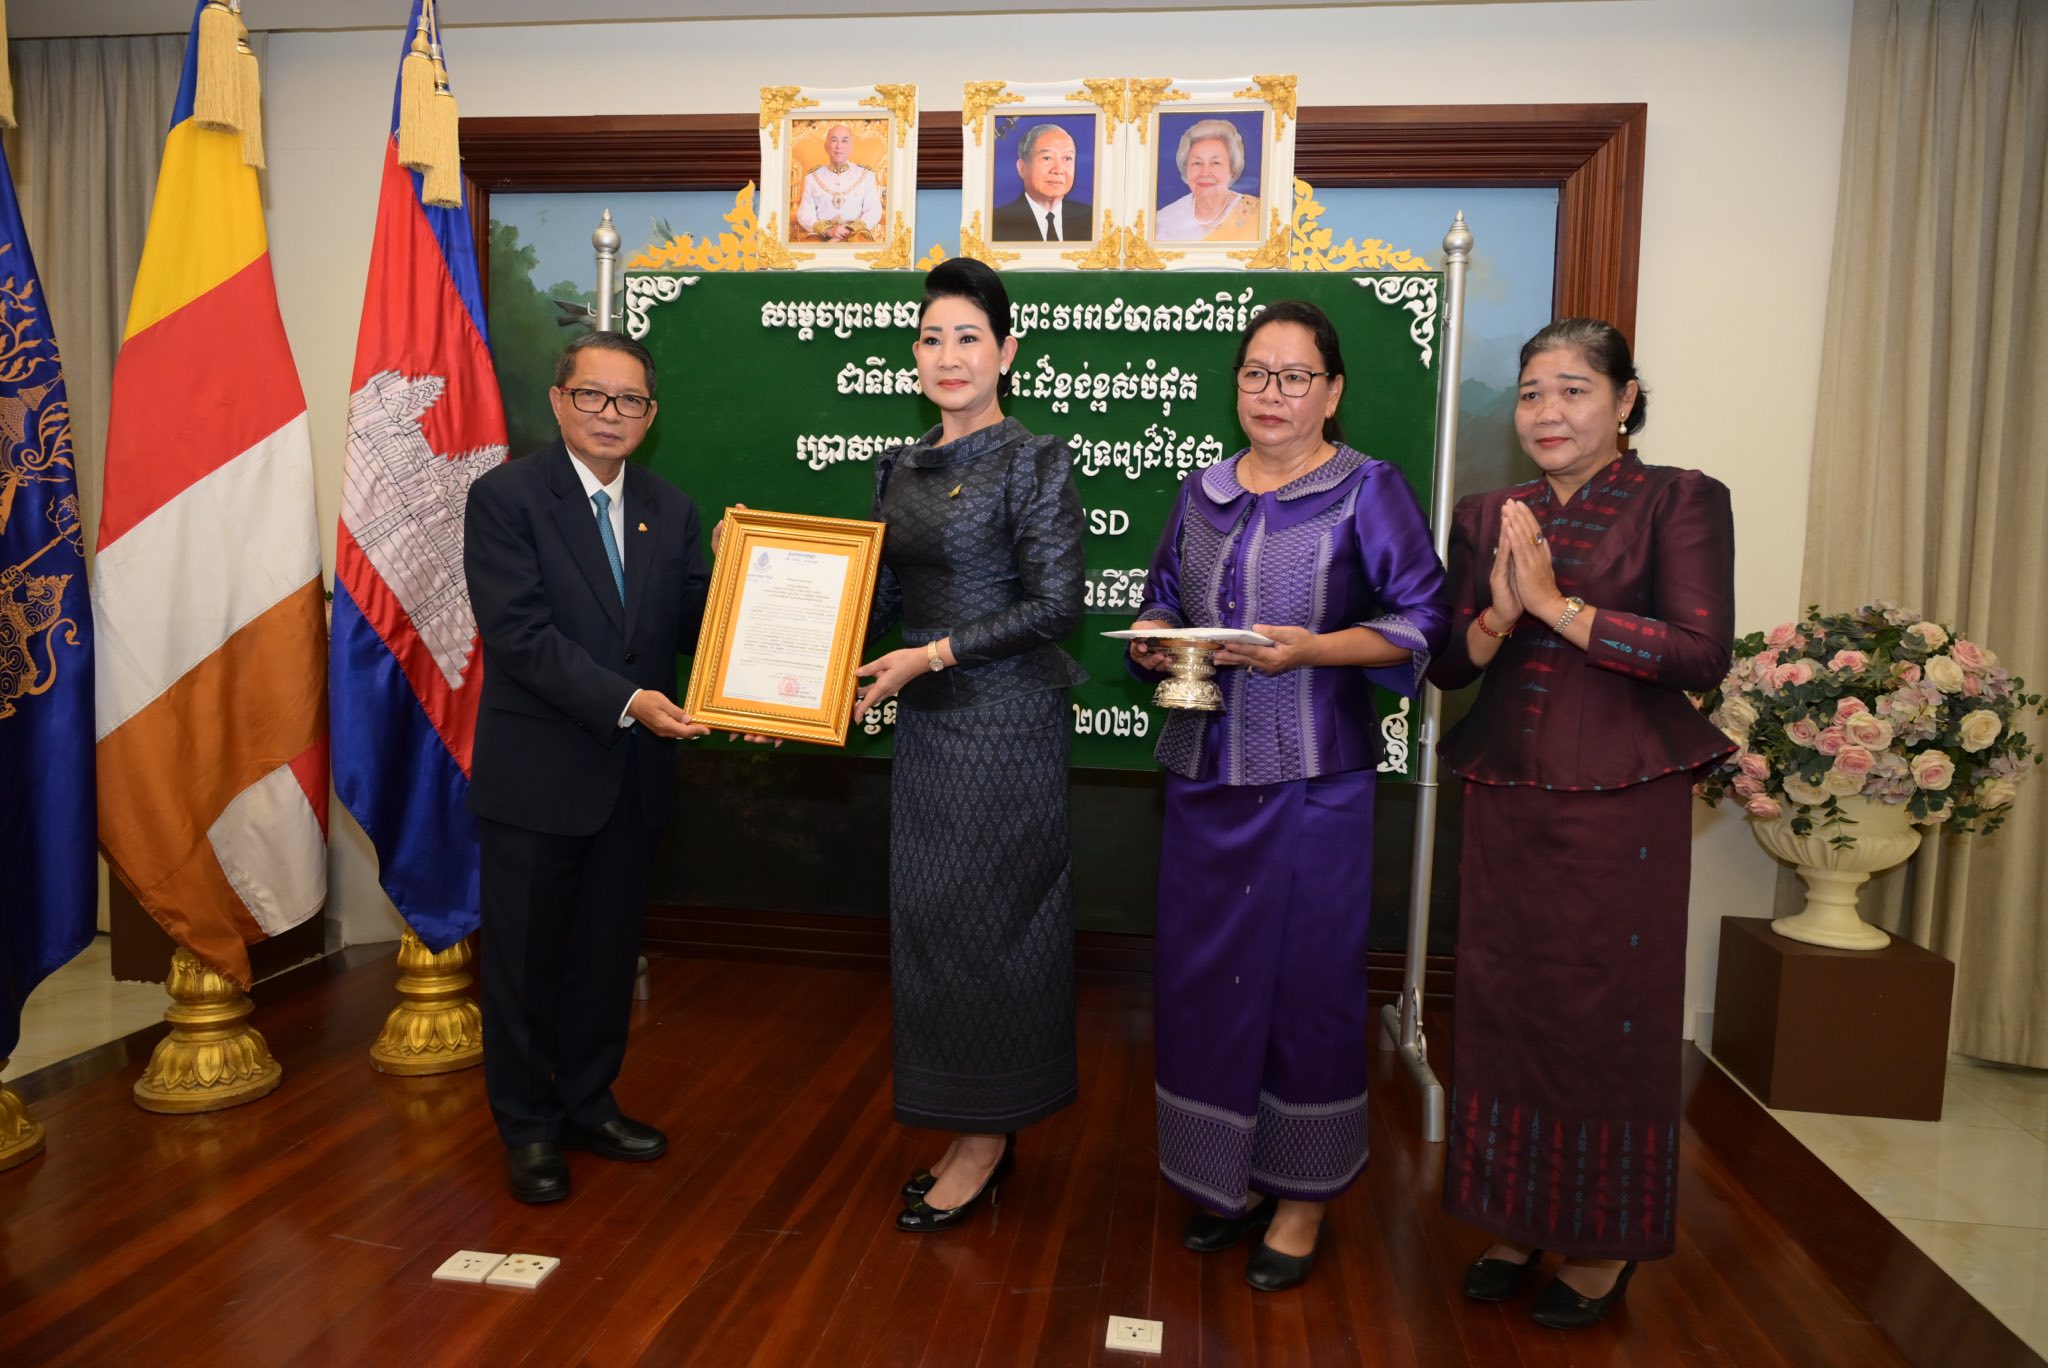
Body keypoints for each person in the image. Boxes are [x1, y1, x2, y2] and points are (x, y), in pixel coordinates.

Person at [1126, 300, 1447, 1291]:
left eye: (1295, 376)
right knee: (1205, 983)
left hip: (1316, 784)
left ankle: (1300, 1197)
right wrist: (1153, 636)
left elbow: (1422, 619)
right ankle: (1222, 1180)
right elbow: (1163, 595)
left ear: (1332, 390)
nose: (1272, 393)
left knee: (1305, 985)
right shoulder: (1201, 490)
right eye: (1256, 374)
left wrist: (1311, 651)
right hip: (1203, 778)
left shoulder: (1367, 488)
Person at [1431, 318, 1735, 1328]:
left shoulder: (1678, 498)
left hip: (1622, 799)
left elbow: (1700, 654)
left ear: (1624, 400)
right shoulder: (1488, 513)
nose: (1546, 412)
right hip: (1504, 791)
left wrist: (1558, 606)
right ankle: (1514, 1218)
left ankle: (1602, 1240)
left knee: (1603, 1016)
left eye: (1572, 390)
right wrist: (1497, 614)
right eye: (1530, 393)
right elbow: (1447, 664)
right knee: (1504, 1008)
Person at [851, 257, 1087, 1233]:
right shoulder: (897, 467)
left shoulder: (1035, 460)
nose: (948, 356)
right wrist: (791, 645)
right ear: (914, 355)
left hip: (1005, 726)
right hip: (927, 728)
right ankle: (966, 1121)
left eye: (968, 338)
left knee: (996, 928)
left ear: (1006, 352)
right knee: (933, 926)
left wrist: (932, 655)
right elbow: (876, 600)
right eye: (931, 338)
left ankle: (989, 1139)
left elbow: (1057, 605)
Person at [463, 332, 711, 1205]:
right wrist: (630, 700)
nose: (611, 414)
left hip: (632, 780)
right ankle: (528, 1128)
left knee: (606, 958)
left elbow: (698, 628)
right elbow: (520, 636)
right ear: (558, 400)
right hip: (538, 776)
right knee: (526, 965)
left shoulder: (671, 509)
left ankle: (588, 1104)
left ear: (651, 414)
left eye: (630, 400)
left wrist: (747, 584)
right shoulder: (505, 498)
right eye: (593, 396)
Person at [1153, 118, 1262, 243]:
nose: (1205, 173)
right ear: (1186, 169)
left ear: (1232, 170)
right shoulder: (1163, 222)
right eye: (1197, 163)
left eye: (1215, 163)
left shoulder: (1258, 215)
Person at [989, 124, 1091, 243]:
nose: (1058, 170)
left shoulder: (1091, 219)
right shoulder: (996, 223)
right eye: (1047, 158)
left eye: (1067, 159)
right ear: (1022, 168)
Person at [793, 123, 883, 243]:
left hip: (856, 236)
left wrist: (848, 231)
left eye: (844, 141)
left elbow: (874, 210)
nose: (839, 146)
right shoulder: (812, 177)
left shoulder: (866, 174)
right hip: (821, 237)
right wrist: (828, 230)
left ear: (851, 146)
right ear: (826, 146)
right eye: (834, 140)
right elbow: (804, 213)